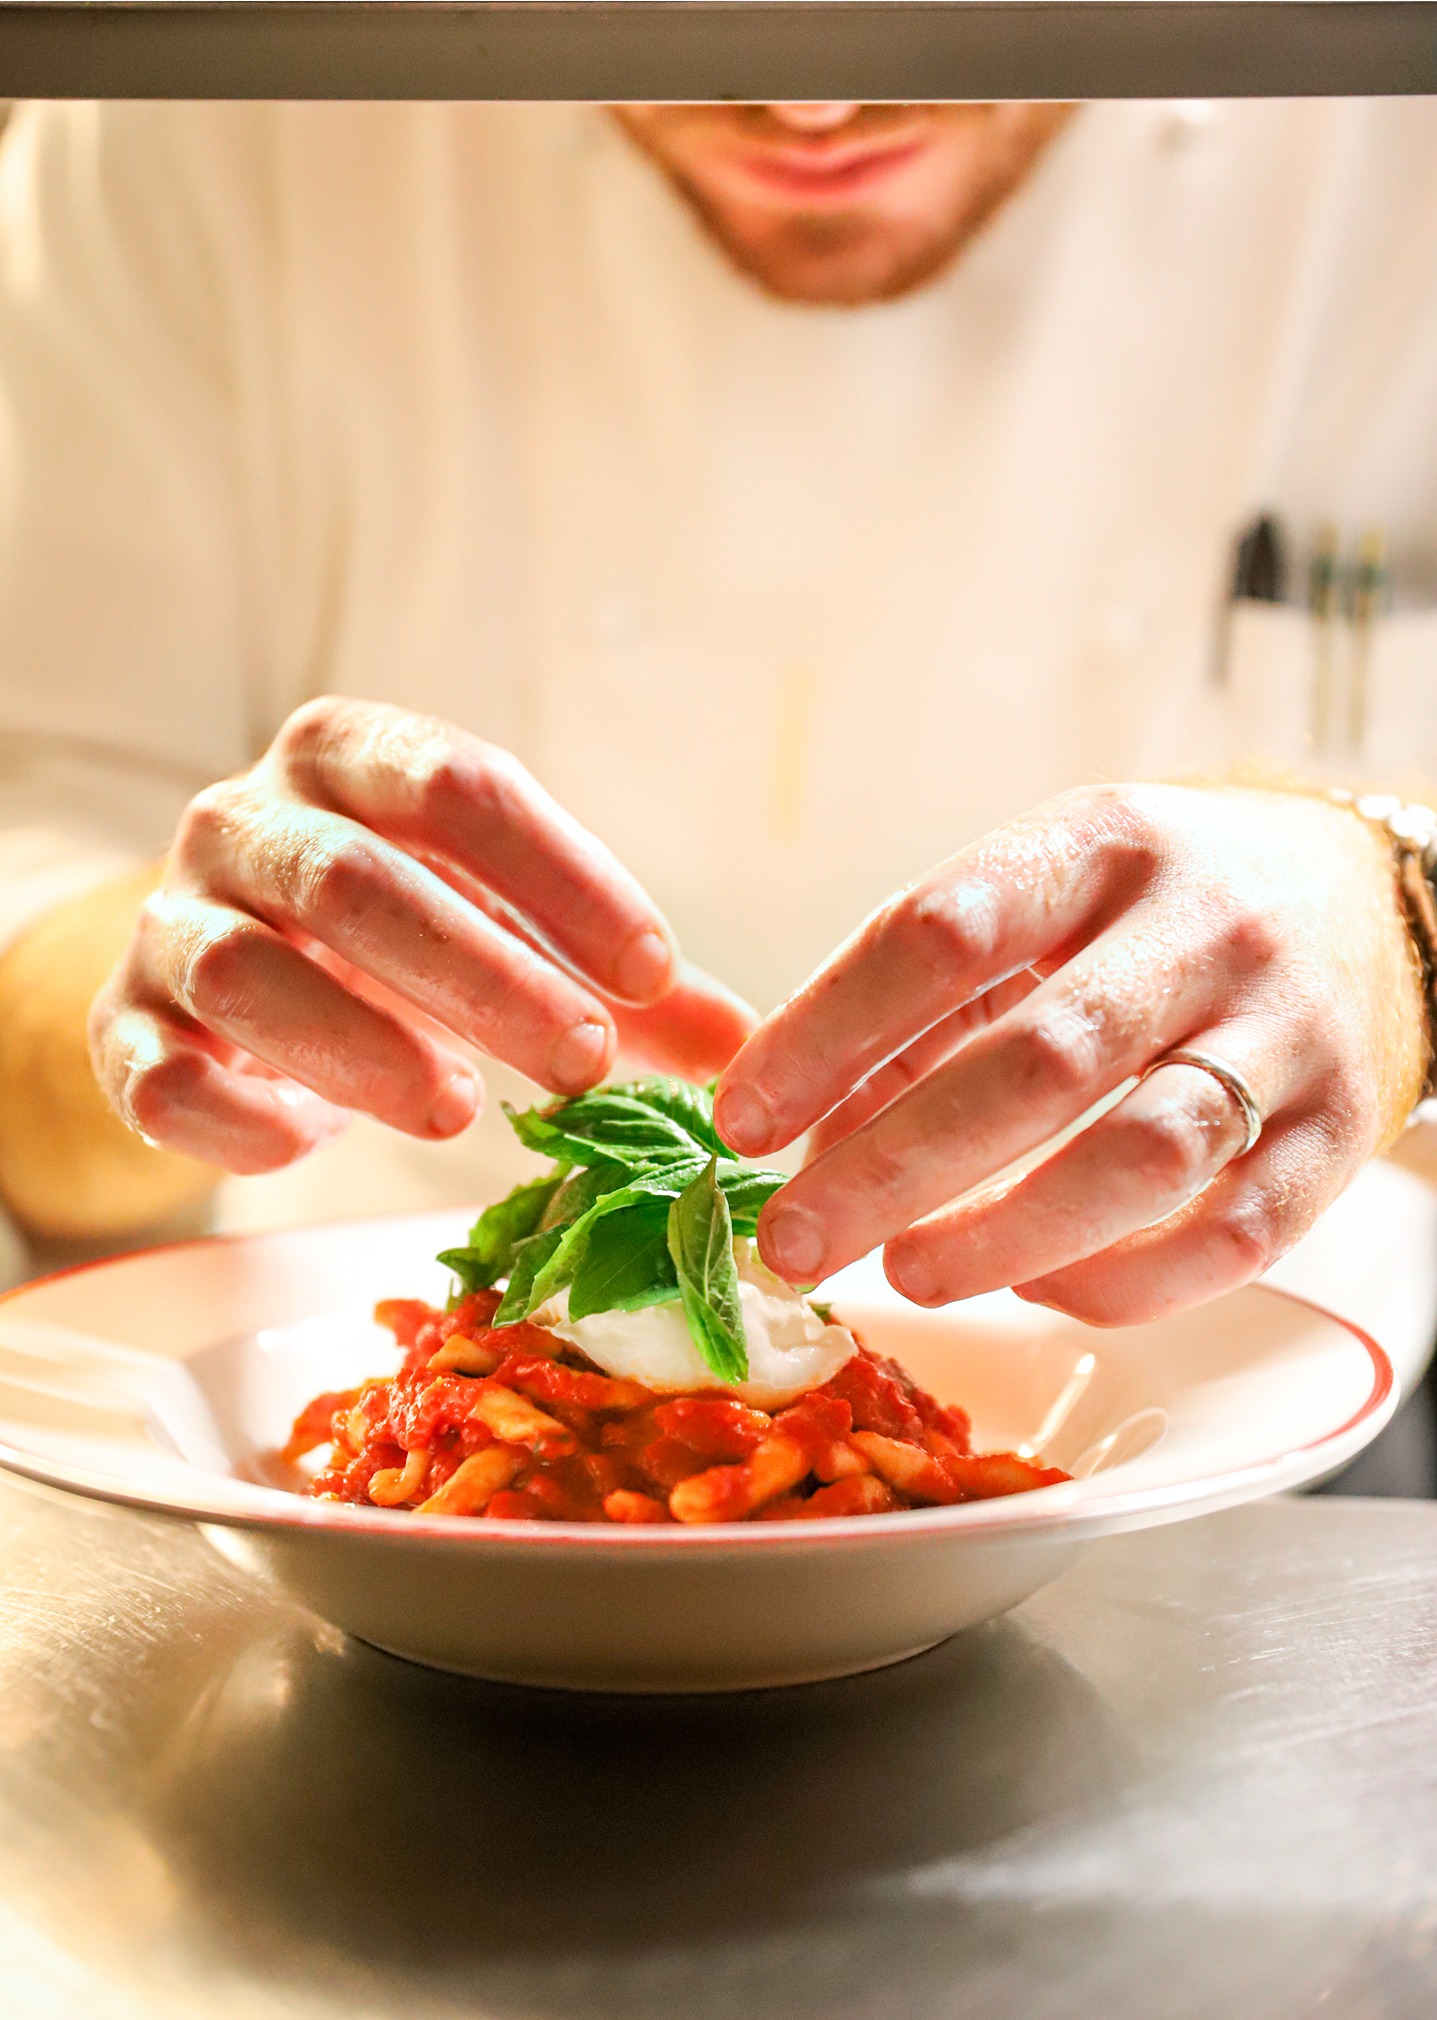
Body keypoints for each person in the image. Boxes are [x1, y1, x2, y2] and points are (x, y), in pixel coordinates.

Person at [1, 96, 1437, 1383]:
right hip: (346, 1441)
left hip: (1272, 1455)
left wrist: (1399, 924)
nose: (806, 104)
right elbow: (33, 965)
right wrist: (181, 994)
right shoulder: (192, 115)